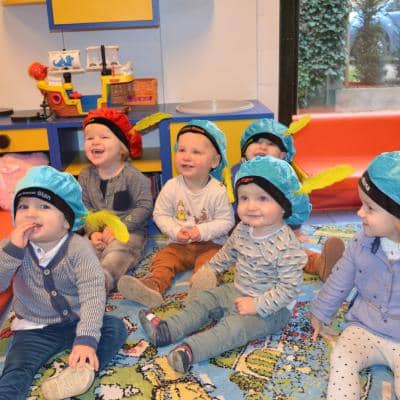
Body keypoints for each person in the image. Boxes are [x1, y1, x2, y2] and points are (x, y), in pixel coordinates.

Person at [138, 155, 311, 373]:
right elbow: (226, 254)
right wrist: (209, 270)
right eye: (244, 198)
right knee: (206, 299)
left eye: (262, 198)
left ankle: (191, 351)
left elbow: (290, 288)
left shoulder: (287, 245)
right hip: (237, 289)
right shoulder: (243, 229)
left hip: (272, 309)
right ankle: (168, 330)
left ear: (284, 205)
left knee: (234, 328)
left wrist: (257, 305)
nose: (251, 206)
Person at [0, 166, 128, 400]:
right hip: (33, 328)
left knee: (115, 328)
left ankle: (81, 372)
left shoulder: (80, 249)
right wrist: (12, 253)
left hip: (77, 320)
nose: (30, 213)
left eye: (43, 207)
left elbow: (92, 294)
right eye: (23, 206)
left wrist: (86, 339)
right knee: (16, 369)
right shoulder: (11, 247)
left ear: (67, 221)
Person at [309, 151, 400, 400]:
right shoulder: (361, 242)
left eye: (370, 208)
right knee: (342, 359)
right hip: (363, 326)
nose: (360, 213)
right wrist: (320, 312)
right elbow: (341, 278)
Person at [118, 119, 235, 307]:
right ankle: (152, 287)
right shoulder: (172, 186)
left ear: (214, 161)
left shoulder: (218, 190)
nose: (186, 157)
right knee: (163, 259)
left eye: (196, 152)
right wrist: (175, 231)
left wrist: (201, 231)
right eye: (181, 150)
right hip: (179, 244)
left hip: (211, 244)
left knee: (211, 264)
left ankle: (202, 288)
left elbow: (226, 221)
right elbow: (160, 214)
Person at [231, 118, 345, 282]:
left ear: (283, 155)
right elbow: (230, 205)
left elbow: (296, 202)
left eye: (271, 144)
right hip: (245, 230)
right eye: (256, 141)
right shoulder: (237, 173)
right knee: (237, 255)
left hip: (278, 229)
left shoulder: (285, 176)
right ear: (244, 149)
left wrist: (294, 228)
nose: (262, 147)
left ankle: (322, 264)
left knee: (292, 252)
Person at [79, 108, 153, 292]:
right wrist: (92, 233)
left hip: (129, 231)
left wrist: (121, 227)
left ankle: (103, 280)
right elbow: (84, 209)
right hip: (99, 231)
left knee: (118, 252)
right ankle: (77, 278)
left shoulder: (133, 176)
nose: (95, 141)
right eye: (89, 138)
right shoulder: (85, 176)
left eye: (104, 137)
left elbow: (144, 206)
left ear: (122, 148)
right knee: (78, 247)